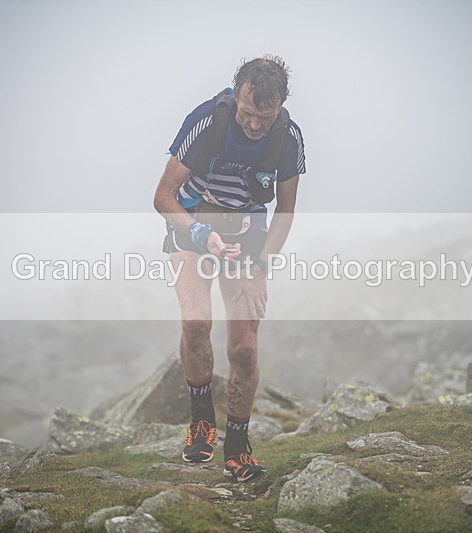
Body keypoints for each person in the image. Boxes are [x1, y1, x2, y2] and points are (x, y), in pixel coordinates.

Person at [153, 55, 306, 482]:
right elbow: (163, 197)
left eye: (265, 116)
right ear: (236, 94)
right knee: (197, 322)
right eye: (247, 113)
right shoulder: (206, 121)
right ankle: (202, 420)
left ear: (280, 107)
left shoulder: (288, 137)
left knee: (244, 349)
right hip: (193, 222)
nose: (254, 124)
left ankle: (237, 449)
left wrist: (260, 266)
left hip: (247, 233)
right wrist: (200, 233)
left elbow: (286, 209)